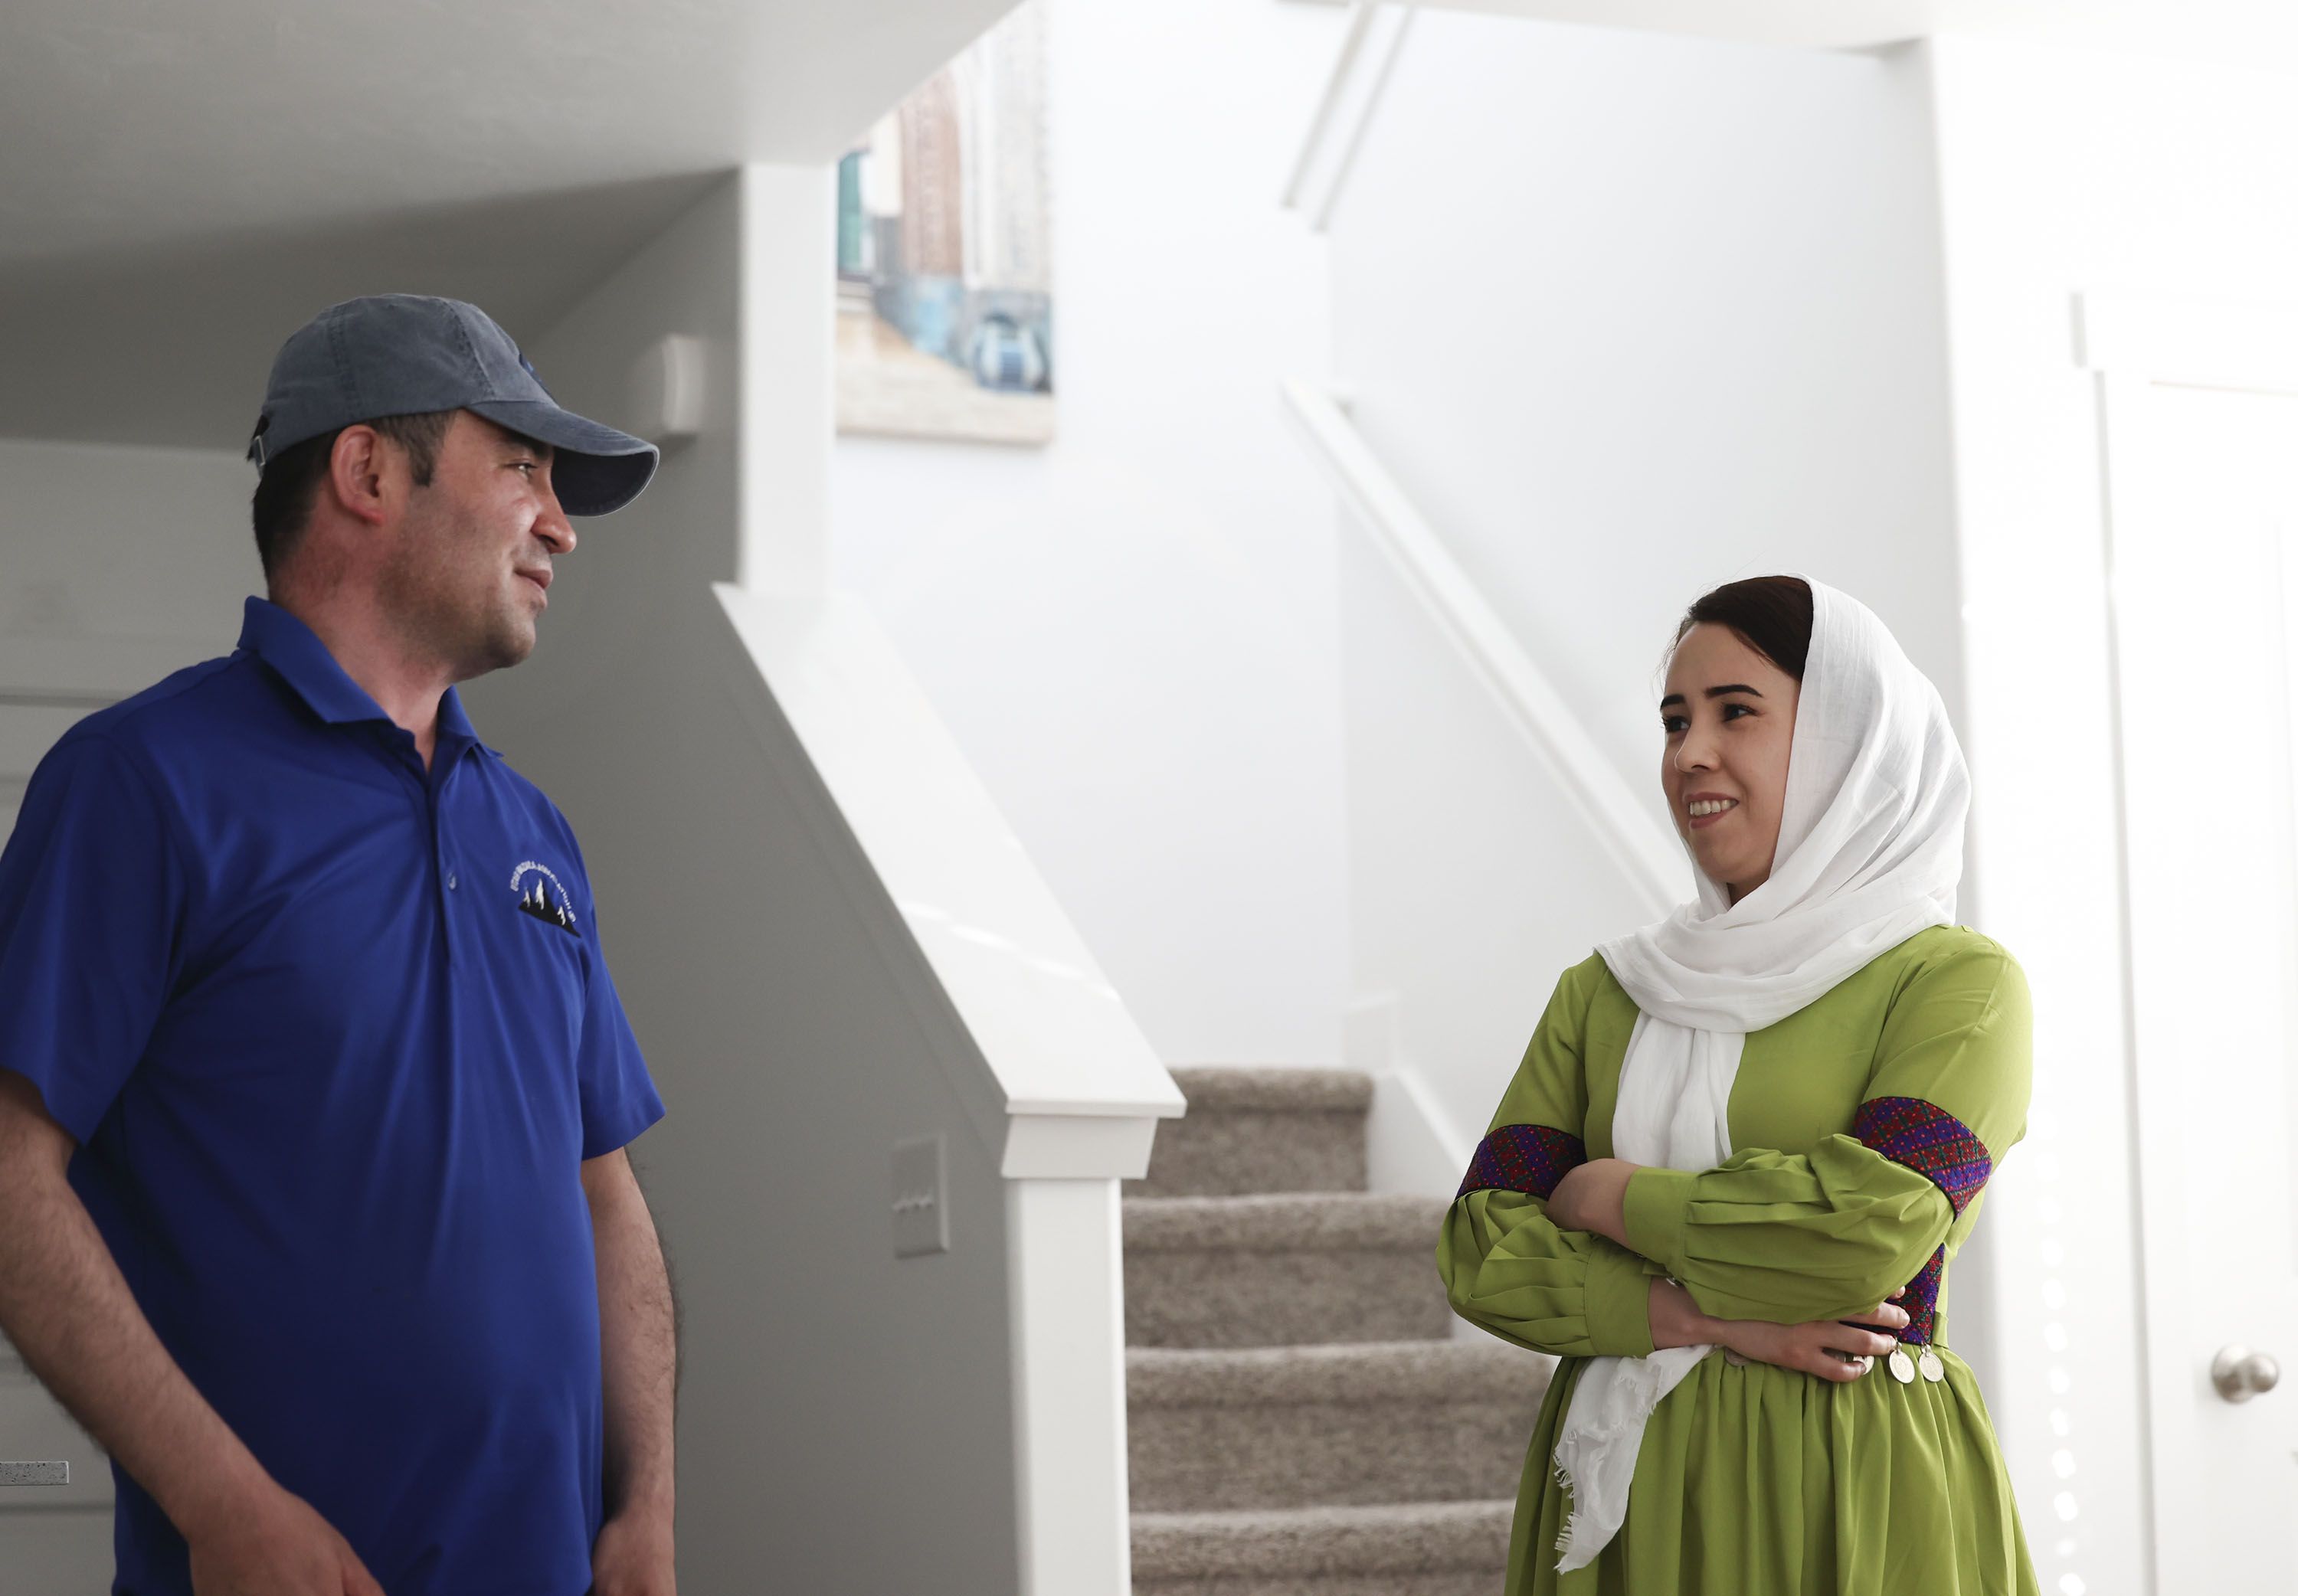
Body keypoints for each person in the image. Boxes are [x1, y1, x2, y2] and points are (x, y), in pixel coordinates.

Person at [0, 294, 679, 1596]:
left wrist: (644, 1510)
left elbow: (606, 1194)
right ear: (369, 472)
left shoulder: (535, 833)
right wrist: (223, 1507)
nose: (562, 526)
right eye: (524, 468)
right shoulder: (142, 783)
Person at [1437, 574, 2038, 1594]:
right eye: (1675, 721)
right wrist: (1711, 1318)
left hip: (1851, 1477)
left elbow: (1861, 1233)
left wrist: (1607, 1195)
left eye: (1736, 714)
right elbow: (1481, 1250)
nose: (1689, 755)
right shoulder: (1607, 994)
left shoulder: (1956, 985)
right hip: (1624, 1478)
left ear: (1849, 743)